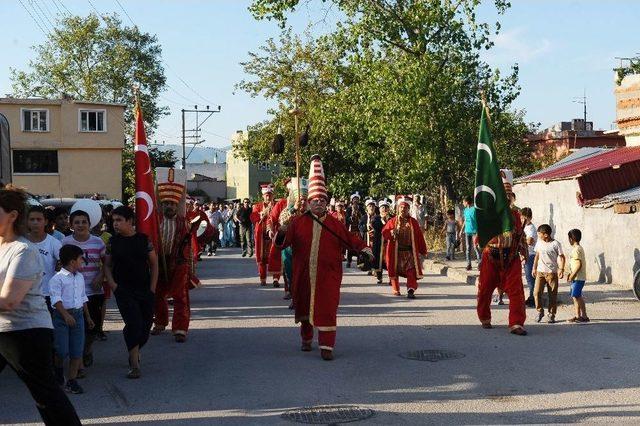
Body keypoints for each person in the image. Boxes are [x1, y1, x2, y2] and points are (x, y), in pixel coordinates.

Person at [275, 155, 371, 361]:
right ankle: (306, 338)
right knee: (304, 305)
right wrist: (282, 230)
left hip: (328, 275)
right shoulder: (298, 222)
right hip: (303, 274)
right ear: (309, 203)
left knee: (327, 307)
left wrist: (365, 248)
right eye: (315, 201)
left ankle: (327, 345)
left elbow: (350, 240)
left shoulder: (335, 224)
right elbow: (284, 242)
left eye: (322, 201)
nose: (318, 203)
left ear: (327, 202)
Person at [0, 186, 81, 425]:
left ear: (12, 215)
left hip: (26, 333)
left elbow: (10, 300)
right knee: (45, 394)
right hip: (4, 330)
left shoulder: (23, 250)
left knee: (46, 394)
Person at [105, 206, 158, 378]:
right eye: (114, 221)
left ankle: (133, 348)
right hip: (124, 290)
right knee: (134, 323)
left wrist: (152, 288)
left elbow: (154, 264)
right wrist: (113, 285)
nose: (115, 224)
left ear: (130, 221)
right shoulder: (113, 242)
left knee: (145, 326)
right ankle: (134, 364)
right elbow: (107, 265)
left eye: (119, 220)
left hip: (144, 289)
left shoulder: (144, 240)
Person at [476, 169, 528, 335]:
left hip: (511, 257)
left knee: (517, 292)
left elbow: (521, 235)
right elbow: (479, 237)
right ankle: (484, 317)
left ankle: (516, 323)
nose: (505, 198)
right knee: (485, 289)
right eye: (502, 195)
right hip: (490, 256)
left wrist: (524, 250)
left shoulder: (515, 215)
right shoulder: (488, 214)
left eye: (508, 195)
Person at [153, 168, 198, 343]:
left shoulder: (184, 223)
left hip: (178, 263)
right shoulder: (155, 221)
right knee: (157, 294)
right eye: (166, 204)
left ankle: (180, 328)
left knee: (180, 296)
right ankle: (160, 322)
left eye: (173, 204)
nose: (169, 207)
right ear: (161, 205)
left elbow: (191, 245)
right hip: (158, 261)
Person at [62, 210, 106, 377]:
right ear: (71, 225)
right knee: (76, 330)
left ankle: (87, 350)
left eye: (84, 222)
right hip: (72, 294)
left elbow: (107, 263)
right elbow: (60, 265)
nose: (80, 225)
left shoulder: (98, 242)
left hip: (93, 292)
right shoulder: (65, 242)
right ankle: (78, 365)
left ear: (90, 224)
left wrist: (101, 277)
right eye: (77, 222)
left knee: (92, 329)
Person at [50, 244, 94, 393]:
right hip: (62, 317)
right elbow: (56, 299)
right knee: (61, 350)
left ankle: (71, 380)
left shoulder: (80, 277)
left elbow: (82, 298)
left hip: (78, 315)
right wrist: (65, 315)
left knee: (77, 350)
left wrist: (87, 317)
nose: (82, 261)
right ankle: (58, 370)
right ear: (72, 261)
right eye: (80, 259)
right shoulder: (57, 279)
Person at [382, 196, 428, 298]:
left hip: (409, 253)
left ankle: (410, 290)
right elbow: (384, 233)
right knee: (394, 270)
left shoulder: (413, 222)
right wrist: (391, 232)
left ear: (408, 210)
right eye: (401, 208)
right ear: (398, 209)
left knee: (411, 271)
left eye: (405, 208)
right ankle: (396, 289)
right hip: (396, 252)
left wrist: (423, 250)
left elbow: (419, 237)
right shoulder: (392, 221)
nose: (403, 210)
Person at [27, 205, 62, 313]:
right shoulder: (21, 242)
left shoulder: (54, 243)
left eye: (39, 219)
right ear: (27, 222)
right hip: (25, 295)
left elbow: (65, 266)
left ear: (46, 221)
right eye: (32, 219)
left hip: (47, 294)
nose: (35, 222)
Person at [532, 224, 565, 324]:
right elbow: (537, 256)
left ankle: (551, 314)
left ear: (546, 235)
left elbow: (562, 257)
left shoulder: (556, 244)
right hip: (540, 272)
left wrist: (561, 269)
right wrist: (534, 268)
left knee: (552, 295)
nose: (538, 236)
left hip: (552, 273)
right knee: (537, 292)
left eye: (539, 234)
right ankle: (540, 311)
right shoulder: (539, 243)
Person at [251, 185, 281, 287]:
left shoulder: (277, 205)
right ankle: (263, 278)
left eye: (270, 195)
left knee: (275, 256)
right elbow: (254, 218)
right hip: (261, 236)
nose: (268, 197)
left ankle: (276, 279)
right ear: (263, 196)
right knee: (261, 258)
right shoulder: (257, 206)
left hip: (274, 234)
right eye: (266, 195)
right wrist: (261, 214)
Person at [566, 228, 589, 323]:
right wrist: (570, 274)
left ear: (571, 239)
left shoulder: (577, 250)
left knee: (577, 296)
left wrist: (572, 275)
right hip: (576, 277)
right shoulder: (577, 249)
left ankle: (584, 316)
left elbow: (579, 264)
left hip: (578, 278)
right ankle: (577, 315)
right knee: (574, 296)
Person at [359, 198, 383, 282]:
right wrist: (366, 227)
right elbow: (360, 227)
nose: (371, 208)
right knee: (368, 254)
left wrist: (375, 228)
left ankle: (378, 274)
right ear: (367, 208)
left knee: (377, 256)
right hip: (367, 239)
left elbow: (381, 227)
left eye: (373, 206)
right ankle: (369, 268)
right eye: (369, 206)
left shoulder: (378, 217)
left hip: (377, 240)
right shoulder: (364, 217)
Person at [521, 207, 537, 308]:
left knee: (530, 278)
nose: (523, 220)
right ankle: (532, 296)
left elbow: (530, 241)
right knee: (528, 277)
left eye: (525, 218)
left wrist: (521, 240)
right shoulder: (524, 227)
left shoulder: (531, 228)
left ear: (530, 218)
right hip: (526, 254)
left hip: (530, 254)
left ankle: (533, 298)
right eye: (522, 218)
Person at [459, 196, 480, 271]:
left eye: (463, 202)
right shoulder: (465, 210)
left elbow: (478, 221)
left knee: (476, 247)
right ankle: (469, 264)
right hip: (467, 231)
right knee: (468, 248)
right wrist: (461, 230)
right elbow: (465, 220)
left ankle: (480, 264)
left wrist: (478, 232)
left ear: (467, 202)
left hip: (474, 231)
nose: (463, 203)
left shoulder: (474, 209)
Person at [375, 199, 393, 285]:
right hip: (379, 242)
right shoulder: (376, 218)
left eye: (386, 207)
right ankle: (379, 277)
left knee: (390, 261)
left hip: (389, 243)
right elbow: (377, 227)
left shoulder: (392, 218)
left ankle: (391, 278)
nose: (384, 209)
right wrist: (383, 221)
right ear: (379, 209)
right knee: (379, 261)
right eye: (382, 207)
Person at [345, 192, 364, 268]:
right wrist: (351, 216)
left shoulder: (361, 208)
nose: (355, 200)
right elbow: (347, 219)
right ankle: (349, 261)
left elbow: (364, 218)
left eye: (357, 199)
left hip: (359, 230)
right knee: (350, 246)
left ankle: (359, 262)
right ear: (352, 200)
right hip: (351, 230)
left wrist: (359, 215)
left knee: (359, 246)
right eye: (354, 199)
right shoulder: (349, 209)